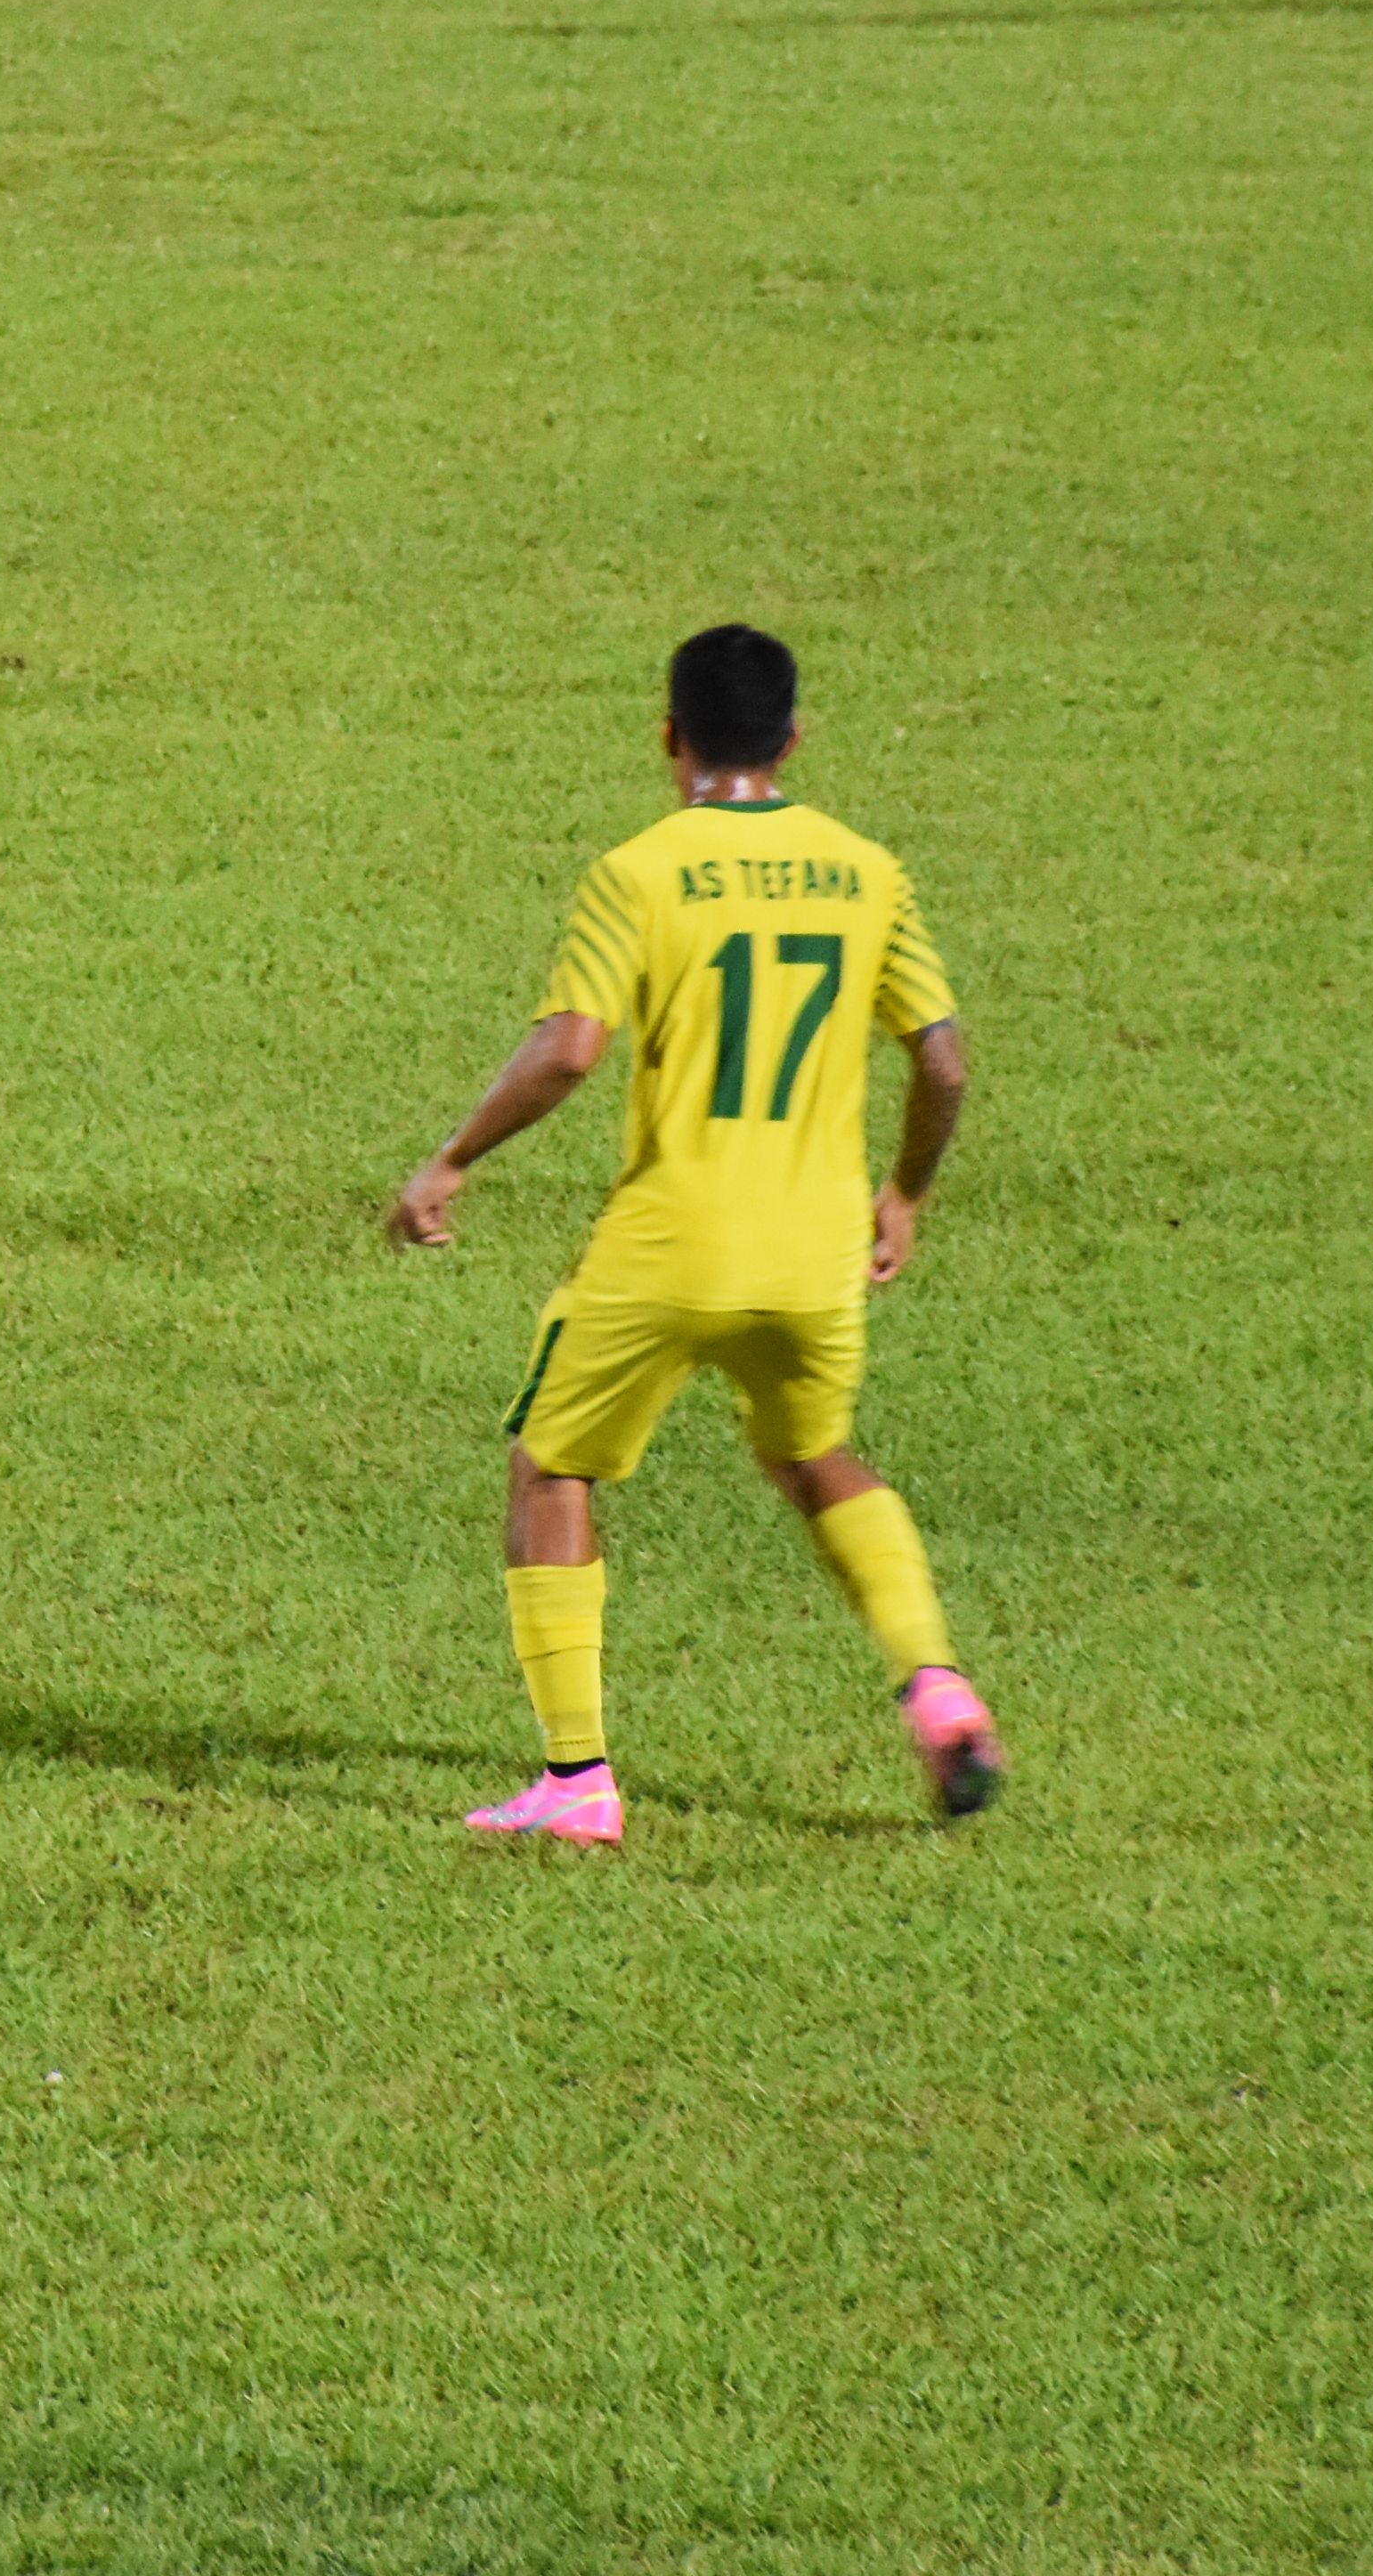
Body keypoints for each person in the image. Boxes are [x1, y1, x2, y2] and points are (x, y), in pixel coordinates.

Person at [386, 624, 997, 1845]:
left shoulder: (641, 872)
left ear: (669, 737)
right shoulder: (868, 872)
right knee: (815, 1456)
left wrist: (451, 1158)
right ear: (793, 740)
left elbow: (569, 1049)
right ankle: (935, 1685)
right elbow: (941, 1061)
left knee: (551, 1466)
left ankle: (577, 1784)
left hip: (668, 1250)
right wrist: (906, 1195)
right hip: (814, 1257)